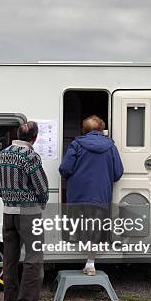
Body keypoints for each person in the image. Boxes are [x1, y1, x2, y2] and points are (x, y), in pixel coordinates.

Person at [0, 121, 49, 301]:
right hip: (29, 214)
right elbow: (41, 187)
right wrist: (41, 203)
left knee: (10, 261)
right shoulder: (31, 156)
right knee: (34, 260)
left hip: (8, 213)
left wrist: (10, 199)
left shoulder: (3, 154)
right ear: (34, 138)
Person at [59, 115, 123, 275]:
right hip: (100, 194)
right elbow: (118, 173)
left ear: (85, 130)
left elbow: (65, 169)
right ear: (101, 129)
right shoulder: (110, 147)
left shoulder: (76, 144)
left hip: (78, 193)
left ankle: (81, 253)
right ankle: (90, 262)